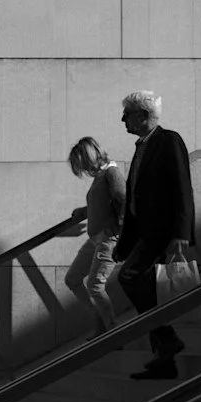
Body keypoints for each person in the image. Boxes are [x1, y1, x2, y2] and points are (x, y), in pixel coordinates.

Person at [113, 91, 197, 381]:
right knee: (145, 286)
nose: (123, 118)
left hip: (161, 232)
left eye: (129, 113)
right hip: (144, 233)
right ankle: (164, 359)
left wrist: (181, 233)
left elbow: (182, 187)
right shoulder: (142, 147)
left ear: (144, 116)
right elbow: (136, 198)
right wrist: (125, 243)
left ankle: (167, 338)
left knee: (129, 277)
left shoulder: (168, 141)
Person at [64, 136, 126, 327]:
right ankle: (101, 321)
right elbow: (102, 203)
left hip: (108, 238)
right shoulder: (100, 176)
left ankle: (112, 329)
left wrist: (119, 230)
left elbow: (124, 199)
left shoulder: (111, 173)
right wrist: (84, 211)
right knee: (73, 279)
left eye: (82, 165)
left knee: (95, 286)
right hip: (96, 239)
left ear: (89, 158)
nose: (83, 171)